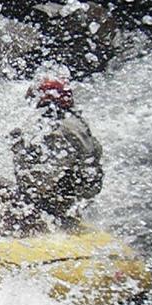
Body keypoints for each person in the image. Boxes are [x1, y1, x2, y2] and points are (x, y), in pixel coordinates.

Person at [10, 77, 103, 225]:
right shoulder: (80, 126)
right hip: (70, 207)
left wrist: (17, 148)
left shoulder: (59, 132)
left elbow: (35, 185)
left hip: (49, 212)